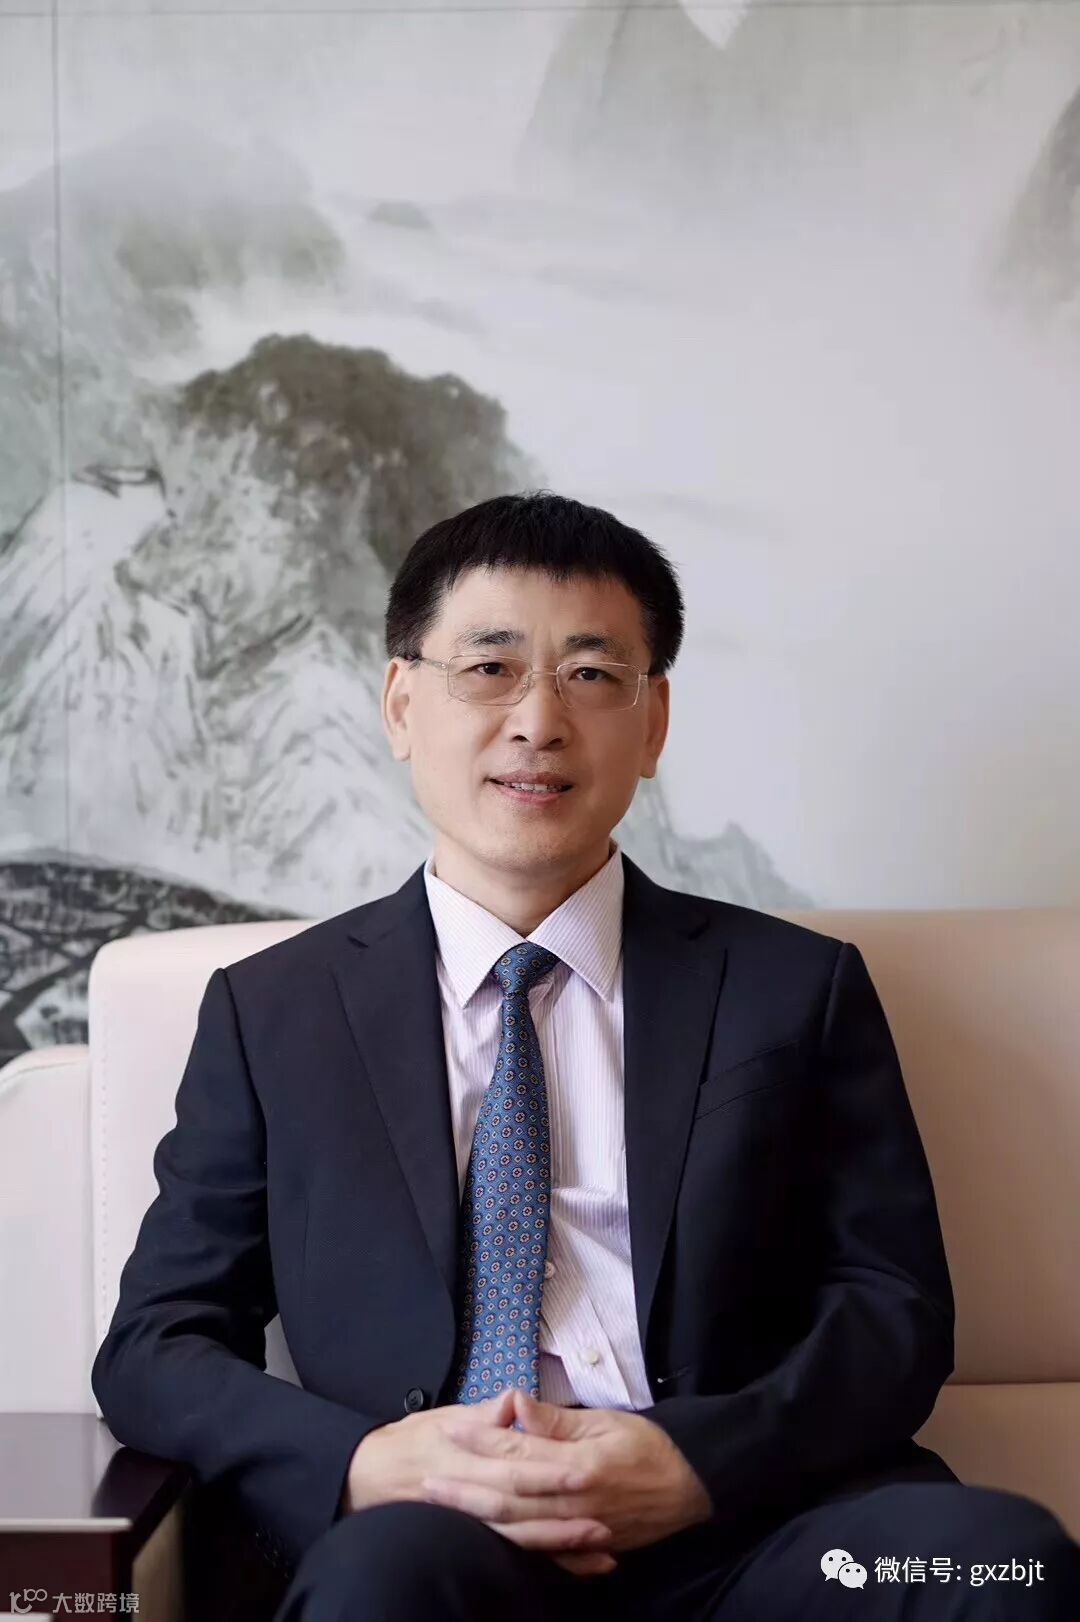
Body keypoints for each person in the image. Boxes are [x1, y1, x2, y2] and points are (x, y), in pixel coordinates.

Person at [92, 492, 1080, 1620]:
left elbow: (892, 1306)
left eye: (592, 674)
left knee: (1000, 1562)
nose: (539, 721)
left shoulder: (793, 987)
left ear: (652, 723)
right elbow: (156, 1343)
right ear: (402, 704)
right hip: (436, 1539)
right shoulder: (275, 1011)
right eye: (490, 669)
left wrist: (697, 1459)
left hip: (760, 1529)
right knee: (379, 1584)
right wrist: (370, 1461)